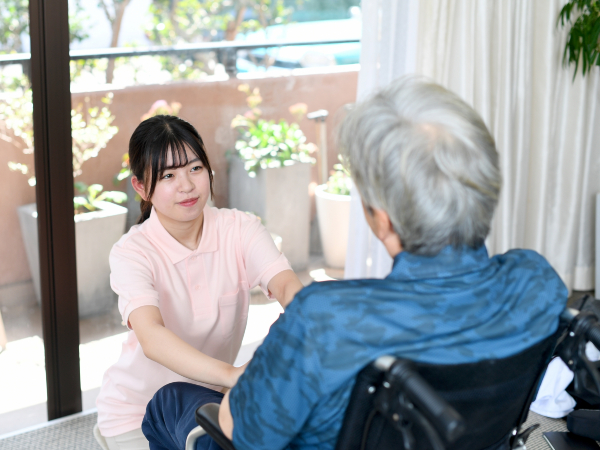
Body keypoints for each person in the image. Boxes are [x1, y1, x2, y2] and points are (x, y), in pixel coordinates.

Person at [141, 77, 568, 450]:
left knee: (168, 404)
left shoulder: (326, 319)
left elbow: (244, 433)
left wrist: (256, 375)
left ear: (380, 218)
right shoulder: (536, 282)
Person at [94, 115, 304, 450]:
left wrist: (311, 314)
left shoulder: (240, 228)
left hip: (209, 398)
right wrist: (233, 376)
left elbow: (285, 285)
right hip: (136, 411)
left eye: (195, 168)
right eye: (168, 175)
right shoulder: (131, 253)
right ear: (140, 187)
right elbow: (152, 337)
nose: (187, 185)